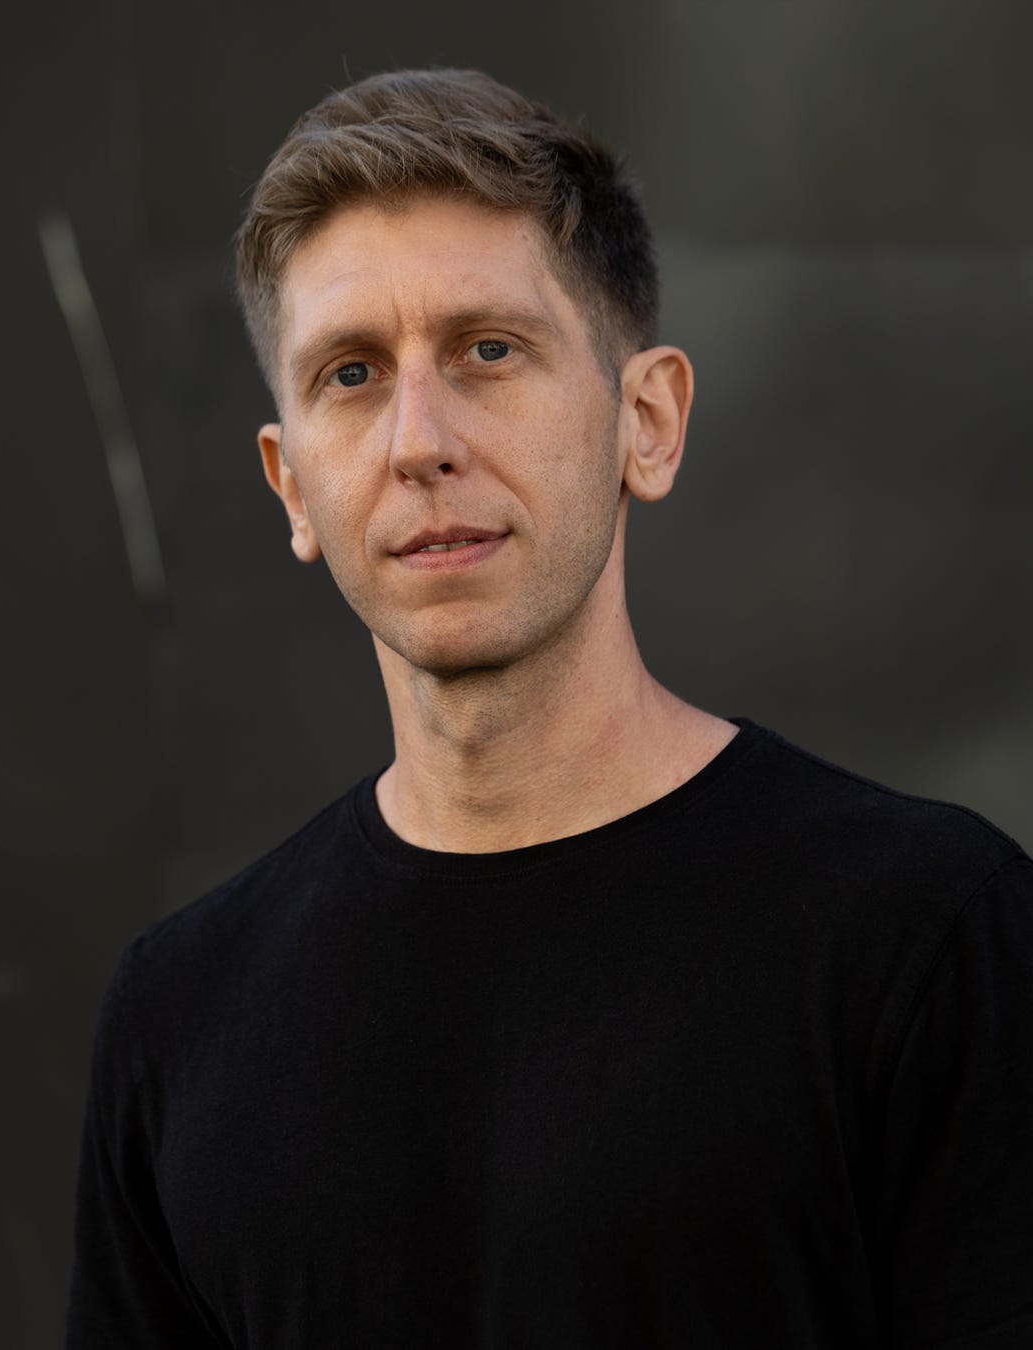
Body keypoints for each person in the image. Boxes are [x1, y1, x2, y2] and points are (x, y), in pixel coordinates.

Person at [65, 69, 1033, 1348]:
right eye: (351, 373)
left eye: (489, 350)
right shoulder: (180, 1017)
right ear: (291, 484)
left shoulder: (926, 940)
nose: (419, 440)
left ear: (648, 421)